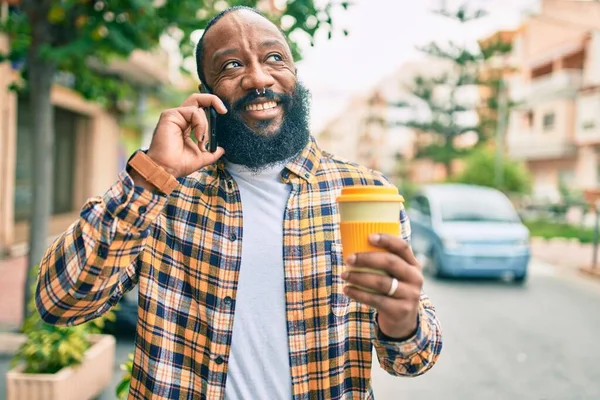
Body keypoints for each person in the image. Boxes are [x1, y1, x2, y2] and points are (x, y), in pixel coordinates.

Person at [36, 6, 442, 400]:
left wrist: (402, 320)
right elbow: (61, 303)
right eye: (231, 66)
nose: (258, 77)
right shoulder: (165, 195)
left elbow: (412, 360)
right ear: (206, 95)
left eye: (274, 58)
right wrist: (150, 175)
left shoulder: (365, 192)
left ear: (294, 76)